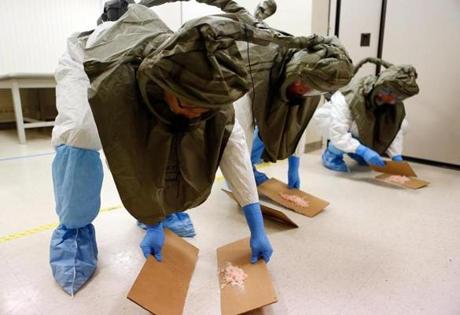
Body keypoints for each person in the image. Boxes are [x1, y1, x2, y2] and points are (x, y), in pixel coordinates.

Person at [50, 4, 285, 295]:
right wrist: (152, 222)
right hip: (92, 61)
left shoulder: (209, 89)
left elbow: (234, 155)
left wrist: (257, 228)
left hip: (148, 61)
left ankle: (167, 208)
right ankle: (74, 232)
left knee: (184, 132)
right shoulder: (122, 90)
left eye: (203, 109)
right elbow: (130, 159)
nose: (192, 114)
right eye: (186, 104)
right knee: (81, 134)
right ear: (164, 84)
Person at [141, 0, 354, 190]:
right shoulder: (256, 72)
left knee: (263, 133)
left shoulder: (310, 83)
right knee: (231, 140)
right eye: (304, 85)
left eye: (312, 90)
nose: (305, 91)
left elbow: (296, 124)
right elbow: (239, 134)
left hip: (267, 99)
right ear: (297, 72)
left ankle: (247, 171)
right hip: (248, 93)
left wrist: (294, 164)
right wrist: (243, 182)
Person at [313, 57, 419, 172]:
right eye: (394, 95)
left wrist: (396, 156)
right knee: (352, 129)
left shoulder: (392, 102)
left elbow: (393, 129)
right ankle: (332, 153)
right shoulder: (349, 96)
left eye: (400, 97)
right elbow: (339, 132)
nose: (394, 101)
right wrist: (363, 151)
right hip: (333, 121)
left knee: (402, 124)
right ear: (383, 88)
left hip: (360, 127)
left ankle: (358, 152)